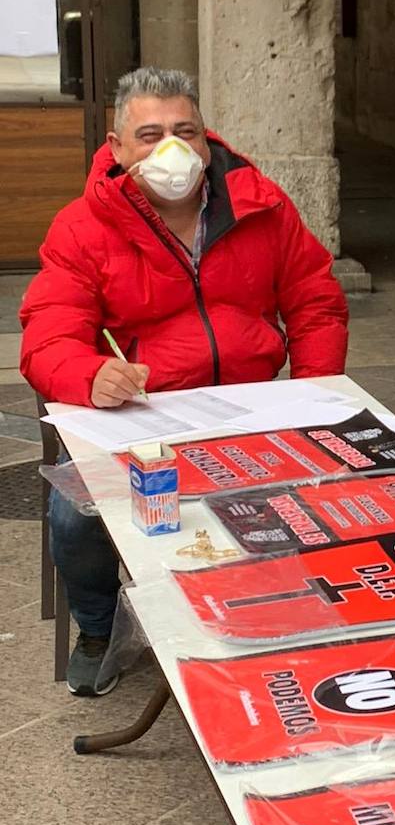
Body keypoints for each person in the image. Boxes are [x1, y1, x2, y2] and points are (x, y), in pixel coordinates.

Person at [20, 67, 349, 697]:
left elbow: (315, 302)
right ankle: (97, 628)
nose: (169, 148)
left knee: (333, 486)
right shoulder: (82, 228)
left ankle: (276, 613)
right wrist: (91, 375)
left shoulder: (263, 207)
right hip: (138, 415)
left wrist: (313, 391)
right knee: (75, 515)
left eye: (183, 131)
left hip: (250, 404)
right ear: (116, 148)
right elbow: (48, 334)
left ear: (205, 139)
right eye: (148, 135)